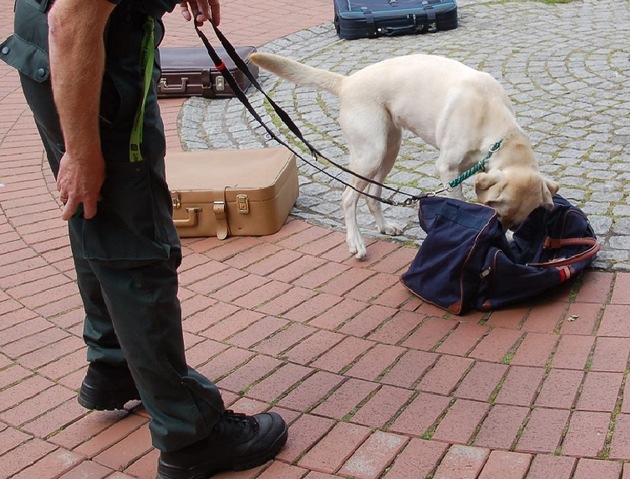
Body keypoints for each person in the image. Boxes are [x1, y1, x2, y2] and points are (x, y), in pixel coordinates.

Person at [0, 0, 288, 477]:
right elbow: (72, 19)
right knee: (135, 245)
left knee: (96, 212)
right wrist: (83, 148)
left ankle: (114, 367)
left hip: (53, 48)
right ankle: (189, 434)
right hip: (86, 54)